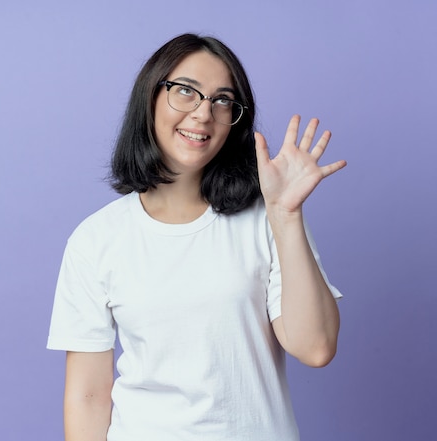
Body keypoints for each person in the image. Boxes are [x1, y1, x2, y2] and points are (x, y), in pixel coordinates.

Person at [47, 33, 346, 441]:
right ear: (150, 97)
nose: (204, 114)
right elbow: (87, 396)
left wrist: (286, 214)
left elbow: (316, 348)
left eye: (222, 100)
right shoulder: (96, 239)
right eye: (186, 91)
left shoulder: (269, 215)